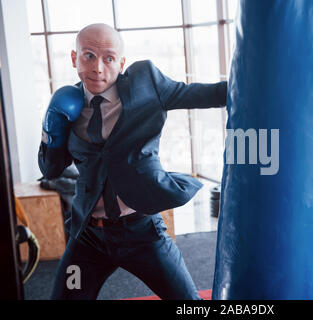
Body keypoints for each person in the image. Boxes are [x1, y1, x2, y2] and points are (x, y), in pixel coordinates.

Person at [38, 23, 227, 300]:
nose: (98, 68)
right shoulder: (67, 104)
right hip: (88, 238)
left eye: (109, 58)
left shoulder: (146, 84)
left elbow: (203, 94)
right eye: (88, 55)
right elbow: (51, 170)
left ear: (122, 63)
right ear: (74, 58)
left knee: (189, 303)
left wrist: (256, 84)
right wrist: (49, 131)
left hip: (141, 233)